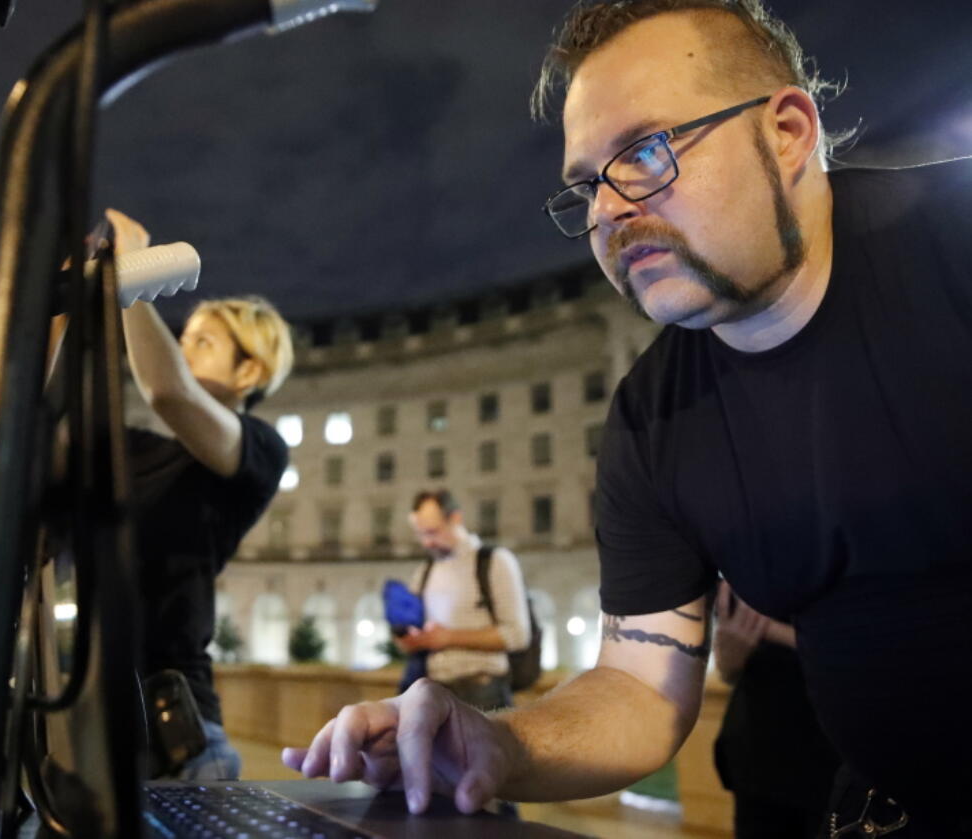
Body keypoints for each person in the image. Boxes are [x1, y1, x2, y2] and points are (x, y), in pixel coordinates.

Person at [281, 2, 972, 834]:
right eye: (586, 184)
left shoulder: (951, 243)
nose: (607, 212)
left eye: (645, 153)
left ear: (788, 133)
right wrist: (498, 741)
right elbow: (643, 684)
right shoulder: (651, 417)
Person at [106, 208, 294, 780]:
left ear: (248, 372)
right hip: (92, 729)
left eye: (202, 342)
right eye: (181, 340)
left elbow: (169, 390)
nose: (182, 351)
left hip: (180, 743)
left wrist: (130, 274)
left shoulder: (261, 451)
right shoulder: (135, 452)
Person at [712, 580, 839, 838]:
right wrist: (729, 656)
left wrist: (769, 629)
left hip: (841, 758)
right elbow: (730, 671)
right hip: (760, 754)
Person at [395, 490, 531, 711]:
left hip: (482, 690)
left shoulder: (495, 562)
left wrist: (447, 638)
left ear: (455, 518)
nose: (427, 542)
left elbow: (517, 634)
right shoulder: (425, 571)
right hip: (434, 691)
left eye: (433, 532)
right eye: (420, 534)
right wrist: (410, 639)